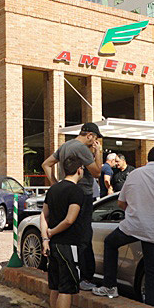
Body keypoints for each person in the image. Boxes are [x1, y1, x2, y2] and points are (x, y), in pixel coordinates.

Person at [93, 145, 154, 307]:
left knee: (110, 243)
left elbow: (121, 202)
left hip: (132, 226)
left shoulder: (134, 174)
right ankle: (153, 307)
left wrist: (134, 212)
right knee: (152, 270)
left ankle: (110, 286)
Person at [42, 123, 102, 291]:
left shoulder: (65, 146)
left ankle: (67, 272)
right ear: (89, 135)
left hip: (64, 191)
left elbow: (46, 164)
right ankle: (85, 278)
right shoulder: (81, 148)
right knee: (84, 235)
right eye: (95, 140)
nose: (94, 143)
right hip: (82, 194)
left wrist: (55, 184)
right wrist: (98, 153)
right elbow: (97, 172)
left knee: (67, 233)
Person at [41, 155, 88, 308]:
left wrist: (45, 238)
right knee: (67, 289)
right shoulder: (76, 191)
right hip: (68, 245)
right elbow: (70, 220)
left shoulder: (54, 189)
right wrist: (51, 232)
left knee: (55, 287)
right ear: (79, 170)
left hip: (53, 246)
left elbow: (44, 215)